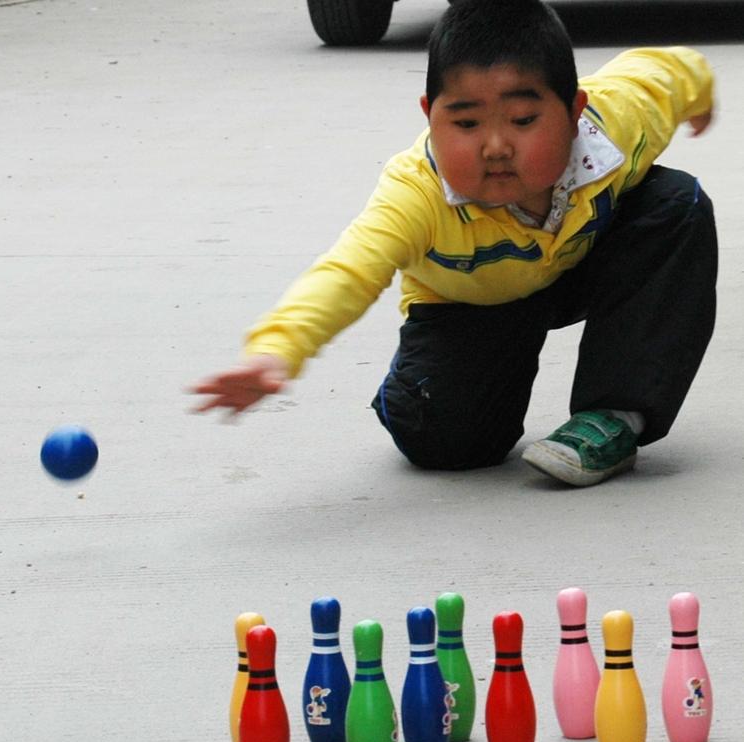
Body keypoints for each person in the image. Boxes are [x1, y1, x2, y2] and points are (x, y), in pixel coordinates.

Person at [192, 0, 717, 487]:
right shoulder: (415, 193)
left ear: (575, 109)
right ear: (429, 113)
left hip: (583, 258)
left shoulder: (619, 121)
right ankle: (418, 390)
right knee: (451, 446)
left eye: (523, 120)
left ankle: (614, 416)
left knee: (676, 203)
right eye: (465, 122)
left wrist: (700, 97)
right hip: (470, 304)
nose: (495, 146)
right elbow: (348, 270)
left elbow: (669, 71)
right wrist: (277, 350)